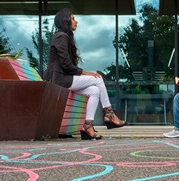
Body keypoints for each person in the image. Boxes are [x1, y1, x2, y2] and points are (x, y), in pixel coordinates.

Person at [44, 8, 126, 140]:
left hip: (64, 79)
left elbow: (67, 64)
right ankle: (109, 114)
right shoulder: (61, 37)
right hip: (60, 80)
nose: (76, 22)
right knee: (98, 79)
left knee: (94, 90)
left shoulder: (64, 37)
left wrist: (84, 74)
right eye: (73, 18)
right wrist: (86, 73)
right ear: (65, 21)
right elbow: (66, 64)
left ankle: (87, 126)